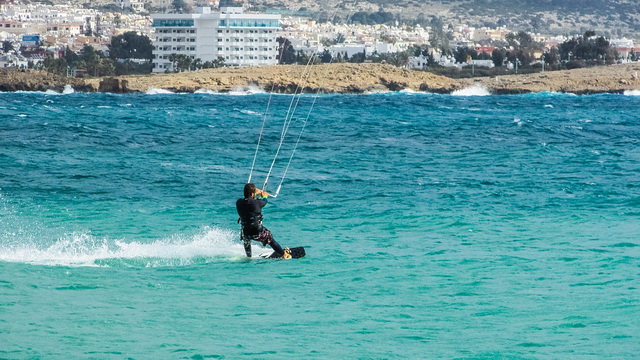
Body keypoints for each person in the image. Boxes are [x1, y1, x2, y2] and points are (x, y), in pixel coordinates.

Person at [236, 183, 290, 258]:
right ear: (252, 193)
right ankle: (283, 254)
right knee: (269, 238)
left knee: (246, 241)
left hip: (246, 232)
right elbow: (265, 201)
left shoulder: (239, 202)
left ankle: (249, 257)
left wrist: (254, 193)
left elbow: (248, 201)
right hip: (257, 231)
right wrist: (264, 195)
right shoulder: (257, 203)